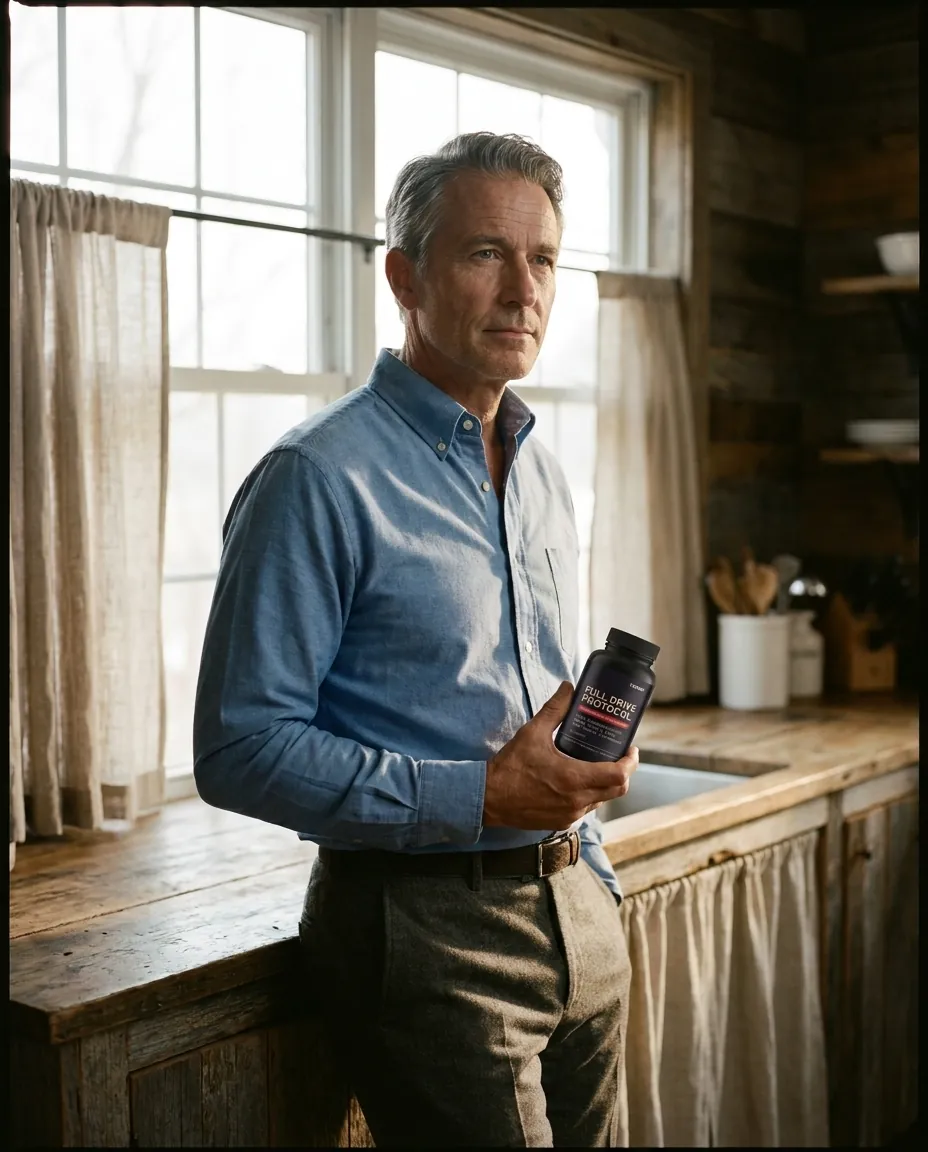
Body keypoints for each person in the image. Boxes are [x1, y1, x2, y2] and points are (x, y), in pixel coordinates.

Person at [194, 131, 637, 1148]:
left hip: (580, 907)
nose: (524, 290)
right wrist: (477, 797)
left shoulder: (540, 471)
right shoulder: (316, 477)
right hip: (426, 934)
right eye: (487, 253)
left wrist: (589, 815)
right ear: (405, 274)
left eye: (544, 259)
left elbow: (525, 694)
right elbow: (239, 749)